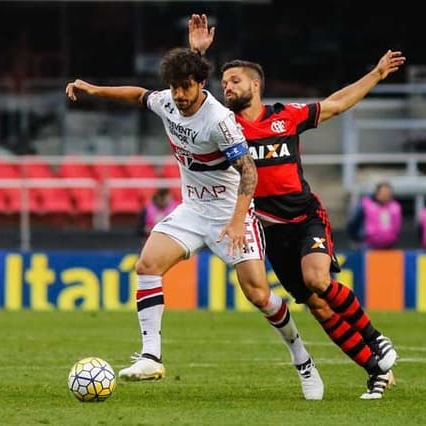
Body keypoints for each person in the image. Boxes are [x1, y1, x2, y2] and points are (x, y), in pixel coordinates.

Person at [66, 47, 324, 400]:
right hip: (192, 210)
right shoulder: (169, 102)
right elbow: (139, 96)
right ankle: (151, 356)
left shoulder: (219, 121)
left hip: (230, 214)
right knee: (147, 264)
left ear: (201, 84)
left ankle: (303, 359)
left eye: (185, 87)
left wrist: (236, 222)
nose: (179, 96)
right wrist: (96, 90)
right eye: (174, 88)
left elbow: (248, 173)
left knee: (259, 295)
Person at [188, 14, 403, 399]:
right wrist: (196, 54)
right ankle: (375, 370)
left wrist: (375, 74)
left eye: (234, 80)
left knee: (319, 279)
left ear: (256, 85)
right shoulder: (223, 126)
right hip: (270, 232)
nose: (227, 87)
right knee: (319, 308)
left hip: (305, 217)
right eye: (223, 82)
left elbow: (335, 104)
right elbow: (188, 98)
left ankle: (376, 338)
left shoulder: (286, 116)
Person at [347, 182, 403, 249]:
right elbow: (354, 221)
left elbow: (397, 226)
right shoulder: (365, 204)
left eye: (388, 193)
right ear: (377, 193)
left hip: (390, 245)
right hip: (368, 245)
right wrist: (356, 237)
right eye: (383, 193)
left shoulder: (395, 207)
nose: (385, 195)